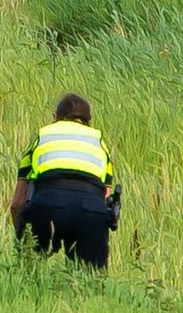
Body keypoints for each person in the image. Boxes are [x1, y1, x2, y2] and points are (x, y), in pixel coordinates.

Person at [11, 93, 119, 269]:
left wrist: (21, 241)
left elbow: (17, 203)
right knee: (92, 280)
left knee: (29, 271)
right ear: (89, 120)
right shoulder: (99, 143)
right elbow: (105, 199)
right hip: (90, 210)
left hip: (46, 206)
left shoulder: (42, 136)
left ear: (55, 117)